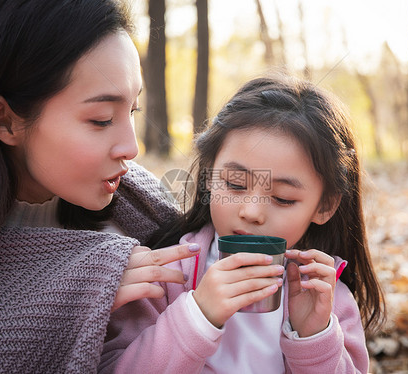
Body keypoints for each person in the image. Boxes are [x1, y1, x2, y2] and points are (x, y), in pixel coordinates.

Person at [0, 1, 200, 372]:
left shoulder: (141, 210)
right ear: (5, 121)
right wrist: (73, 298)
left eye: (132, 111)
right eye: (101, 119)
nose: (132, 148)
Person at [100, 74, 386, 373]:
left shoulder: (327, 300)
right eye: (235, 184)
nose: (251, 212)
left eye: (283, 198)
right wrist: (198, 316)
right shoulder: (164, 278)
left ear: (325, 205)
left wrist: (314, 336)